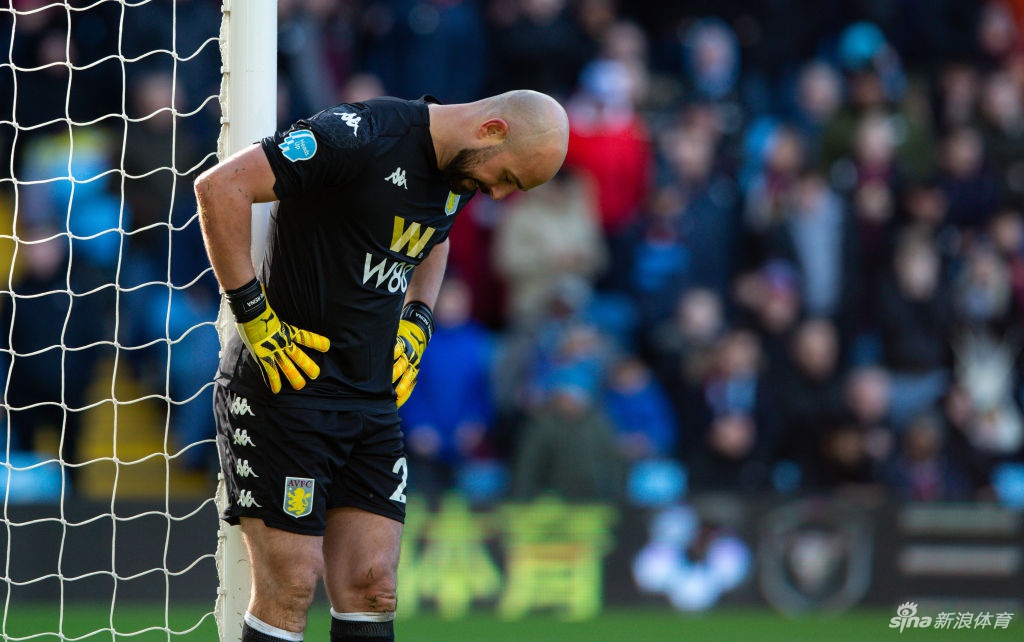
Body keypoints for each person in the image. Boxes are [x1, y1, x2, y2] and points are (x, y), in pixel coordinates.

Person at [195, 90, 569, 642]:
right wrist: (255, 318)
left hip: (370, 400)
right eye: (508, 177)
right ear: (491, 129)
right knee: (293, 586)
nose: (497, 193)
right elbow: (220, 187)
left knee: (375, 587)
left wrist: (418, 317)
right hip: (288, 389)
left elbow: (433, 232)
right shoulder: (360, 134)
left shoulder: (459, 175)